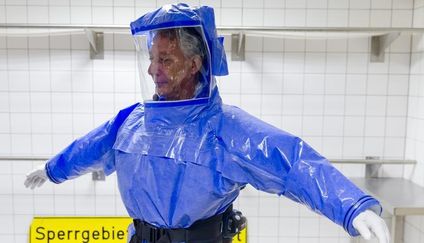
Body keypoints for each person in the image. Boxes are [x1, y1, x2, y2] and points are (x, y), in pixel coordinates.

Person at [25, 3, 390, 243]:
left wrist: (351, 206)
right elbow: (90, 147)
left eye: (165, 59)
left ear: (195, 63)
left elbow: (293, 162)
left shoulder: (225, 130)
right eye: (152, 58)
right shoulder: (132, 122)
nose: (153, 69)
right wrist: (52, 168)